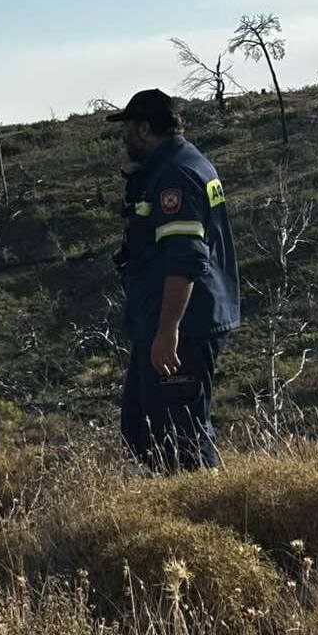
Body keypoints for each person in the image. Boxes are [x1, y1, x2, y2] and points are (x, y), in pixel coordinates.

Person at [109, 89, 239, 471]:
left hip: (183, 325)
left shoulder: (175, 176)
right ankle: (163, 511)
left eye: (129, 129)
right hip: (165, 321)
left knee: (182, 437)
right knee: (141, 426)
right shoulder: (173, 166)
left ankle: (203, 516)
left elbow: (183, 260)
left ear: (146, 128)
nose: (124, 139)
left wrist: (169, 330)